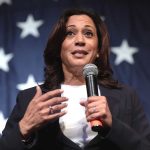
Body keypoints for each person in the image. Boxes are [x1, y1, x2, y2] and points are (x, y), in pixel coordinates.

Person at [0, 8, 150, 150]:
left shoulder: (126, 97)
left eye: (88, 33)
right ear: (59, 47)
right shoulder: (31, 99)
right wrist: (25, 127)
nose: (80, 40)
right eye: (70, 33)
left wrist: (113, 125)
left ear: (98, 50)